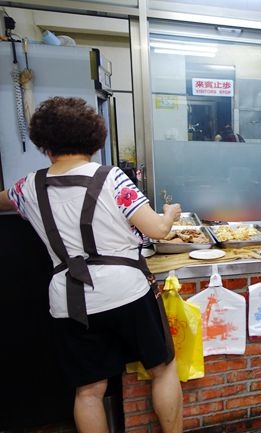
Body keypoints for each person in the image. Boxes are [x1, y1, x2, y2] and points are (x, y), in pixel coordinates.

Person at [0, 97, 184, 433]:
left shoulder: (27, 187)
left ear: (44, 143)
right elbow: (157, 229)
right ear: (94, 138)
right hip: (127, 291)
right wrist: (171, 213)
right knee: (163, 369)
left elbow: (3, 199)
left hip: (70, 301)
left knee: (88, 390)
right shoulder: (111, 178)